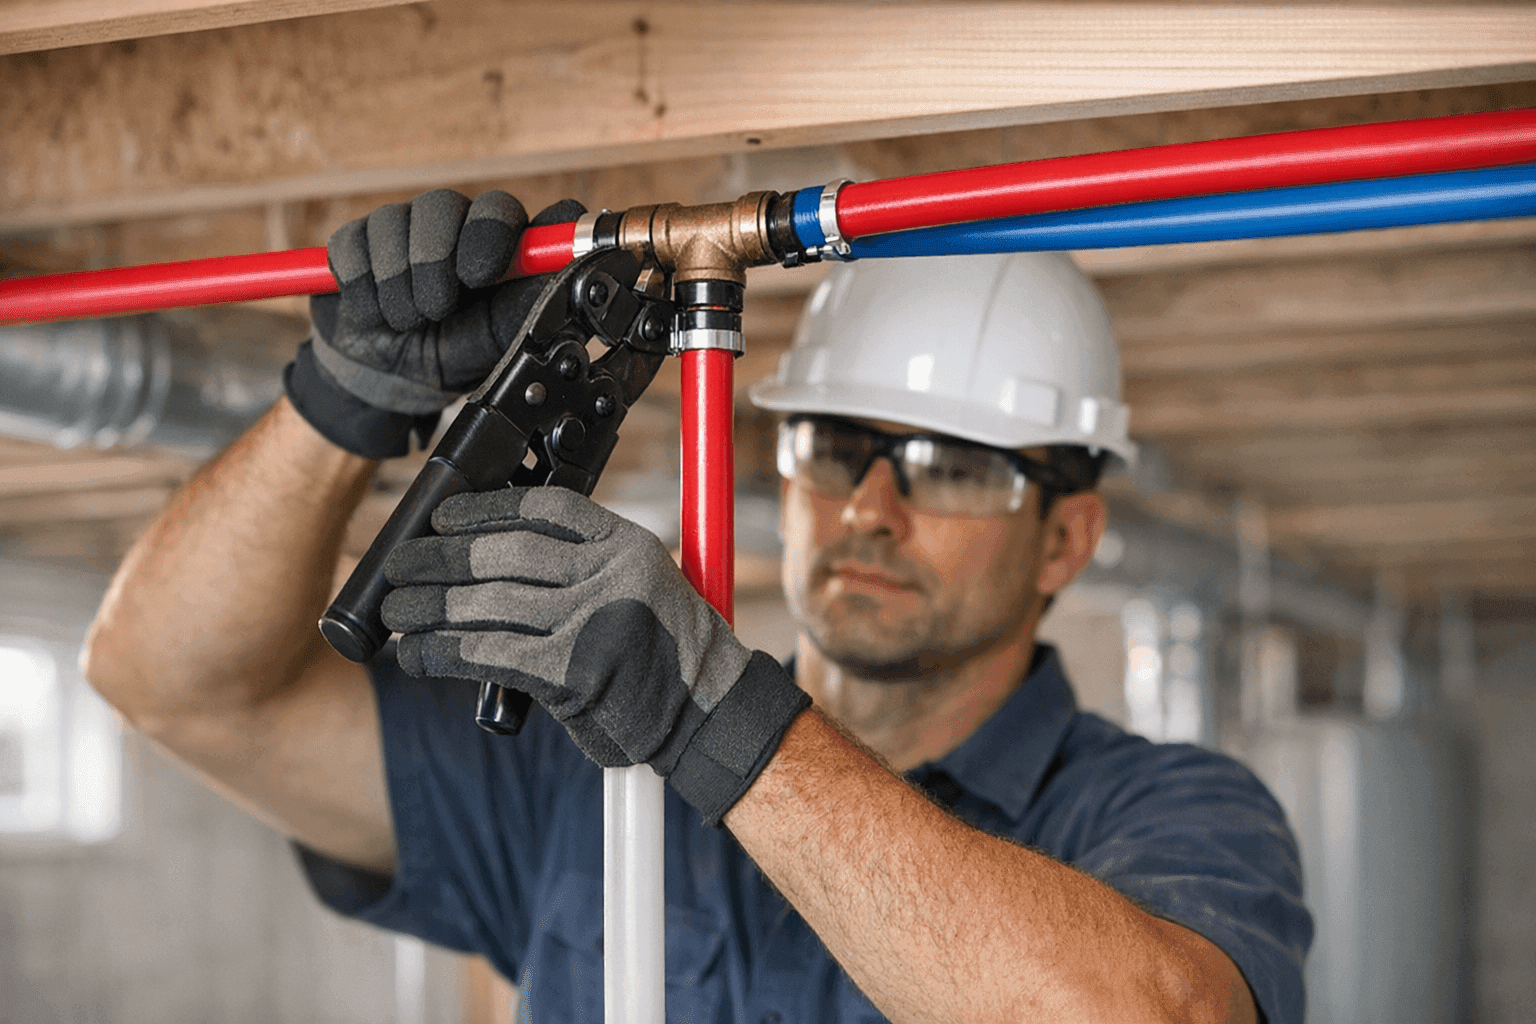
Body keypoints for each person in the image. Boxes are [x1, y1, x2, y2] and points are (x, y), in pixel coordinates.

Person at [83, 190, 1310, 1024]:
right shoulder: (579, 767)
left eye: (953, 469)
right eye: (835, 446)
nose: (871, 507)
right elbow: (170, 681)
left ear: (1069, 538)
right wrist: (342, 402)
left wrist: (718, 720)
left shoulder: (1166, 812)